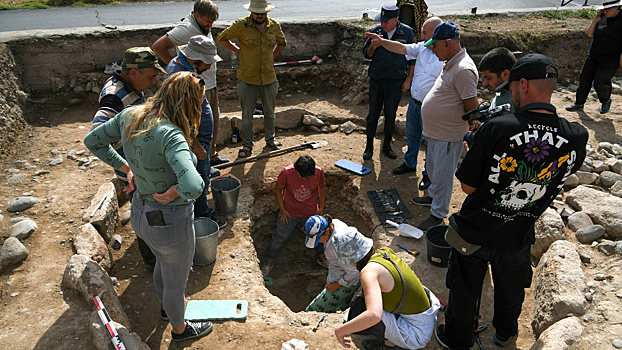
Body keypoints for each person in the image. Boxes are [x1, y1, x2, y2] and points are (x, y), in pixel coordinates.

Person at [434, 54, 588, 350]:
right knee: (511, 286)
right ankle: (505, 334)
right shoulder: (576, 135)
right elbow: (561, 172)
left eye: (512, 88)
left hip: (476, 229)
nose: (511, 94)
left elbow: (468, 186)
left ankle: (458, 339)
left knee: (465, 288)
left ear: (524, 85)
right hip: (519, 230)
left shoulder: (497, 128)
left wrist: (475, 147)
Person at [84, 72, 214, 341]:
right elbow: (194, 185)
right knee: (176, 283)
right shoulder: (171, 135)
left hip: (141, 214)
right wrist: (176, 190)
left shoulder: (132, 115)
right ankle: (180, 330)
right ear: (187, 102)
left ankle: (168, 309)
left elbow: (93, 141)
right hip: (171, 221)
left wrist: (126, 167)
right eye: (198, 103)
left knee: (161, 265)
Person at [90, 47, 164, 274]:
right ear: (133, 73)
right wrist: (126, 167)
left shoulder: (130, 87)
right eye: (151, 77)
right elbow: (96, 136)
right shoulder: (115, 96)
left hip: (143, 166)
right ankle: (153, 263)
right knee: (147, 214)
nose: (153, 82)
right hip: (135, 173)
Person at [410, 21, 479, 231]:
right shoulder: (450, 61)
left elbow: (472, 107)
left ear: (448, 43)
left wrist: (471, 129)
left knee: (442, 174)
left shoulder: (463, 69)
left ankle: (438, 213)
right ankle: (432, 198)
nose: (432, 48)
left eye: (436, 44)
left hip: (448, 134)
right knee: (432, 169)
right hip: (435, 132)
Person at [365, 17, 443, 192]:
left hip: (431, 109)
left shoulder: (445, 58)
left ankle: (428, 175)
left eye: (424, 32)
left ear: (436, 34)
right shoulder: (422, 48)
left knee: (430, 143)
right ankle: (409, 163)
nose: (421, 36)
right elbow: (401, 48)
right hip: (415, 104)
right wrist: (381, 41)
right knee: (412, 136)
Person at [152, 0, 230, 166]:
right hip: (199, 85)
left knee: (211, 122)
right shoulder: (186, 30)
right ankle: (202, 163)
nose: (210, 25)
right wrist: (183, 73)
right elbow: (159, 46)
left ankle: (210, 157)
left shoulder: (202, 26)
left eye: (212, 21)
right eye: (208, 21)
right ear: (197, 15)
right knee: (197, 127)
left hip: (206, 83)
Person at [333, 234, 441, 349]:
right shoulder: (384, 252)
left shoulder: (368, 272)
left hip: (416, 333)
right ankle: (393, 337)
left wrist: (340, 330)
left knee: (360, 310)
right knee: (364, 300)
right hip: (425, 317)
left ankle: (390, 345)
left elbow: (374, 315)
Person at [165, 35, 227, 229]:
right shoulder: (180, 77)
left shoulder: (185, 69)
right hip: (195, 141)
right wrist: (197, 145)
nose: (208, 67)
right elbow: (181, 118)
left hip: (200, 138)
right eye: (207, 63)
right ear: (196, 59)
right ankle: (203, 218)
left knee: (203, 174)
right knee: (198, 179)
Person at [217, 0, 287, 158]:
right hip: (247, 78)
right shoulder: (241, 25)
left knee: (270, 113)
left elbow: (282, 43)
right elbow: (221, 38)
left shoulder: (274, 25)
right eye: (257, 13)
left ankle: (270, 140)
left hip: (268, 77)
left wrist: (271, 57)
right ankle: (247, 145)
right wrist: (238, 50)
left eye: (263, 13)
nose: (260, 16)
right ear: (251, 12)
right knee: (247, 115)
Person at [362, 5, 416, 161]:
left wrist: (409, 80)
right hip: (377, 81)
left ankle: (386, 146)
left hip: (395, 82)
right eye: (382, 21)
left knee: (390, 115)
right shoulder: (376, 32)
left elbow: (412, 58)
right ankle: (369, 146)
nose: (383, 24)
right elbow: (367, 54)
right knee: (372, 115)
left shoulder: (407, 32)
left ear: (395, 20)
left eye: (386, 21)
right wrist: (374, 44)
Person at [261, 155, 327, 277]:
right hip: (290, 213)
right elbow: (278, 189)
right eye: (304, 176)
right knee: (280, 236)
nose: (307, 178)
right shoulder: (287, 173)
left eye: (309, 176)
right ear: (296, 170)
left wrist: (322, 207)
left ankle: (322, 258)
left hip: (310, 213)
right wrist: (283, 210)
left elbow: (321, 187)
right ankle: (269, 262)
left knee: (317, 235)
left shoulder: (318, 172)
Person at [566, 0, 621, 115]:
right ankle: (579, 103)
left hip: (611, 58)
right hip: (594, 54)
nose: (605, 11)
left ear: (617, 7)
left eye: (608, 9)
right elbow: (590, 34)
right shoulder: (602, 18)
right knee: (585, 79)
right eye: (604, 9)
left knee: (600, 81)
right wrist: (595, 19)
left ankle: (605, 100)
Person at [303, 215, 361, 313]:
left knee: (312, 311)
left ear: (327, 231)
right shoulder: (334, 223)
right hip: (339, 275)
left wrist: (338, 284)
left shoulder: (339, 244)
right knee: (341, 306)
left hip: (346, 283)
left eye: (318, 239)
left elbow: (354, 271)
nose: (319, 242)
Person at [479, 47, 516, 113]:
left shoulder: (518, 101)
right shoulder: (499, 95)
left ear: (505, 74)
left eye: (489, 78)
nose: (485, 83)